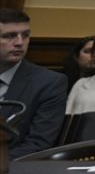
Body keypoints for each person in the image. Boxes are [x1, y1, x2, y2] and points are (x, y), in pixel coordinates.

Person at [1, 9, 68, 158]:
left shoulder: (49, 83)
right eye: (9, 36)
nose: (19, 43)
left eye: (25, 35)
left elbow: (38, 145)